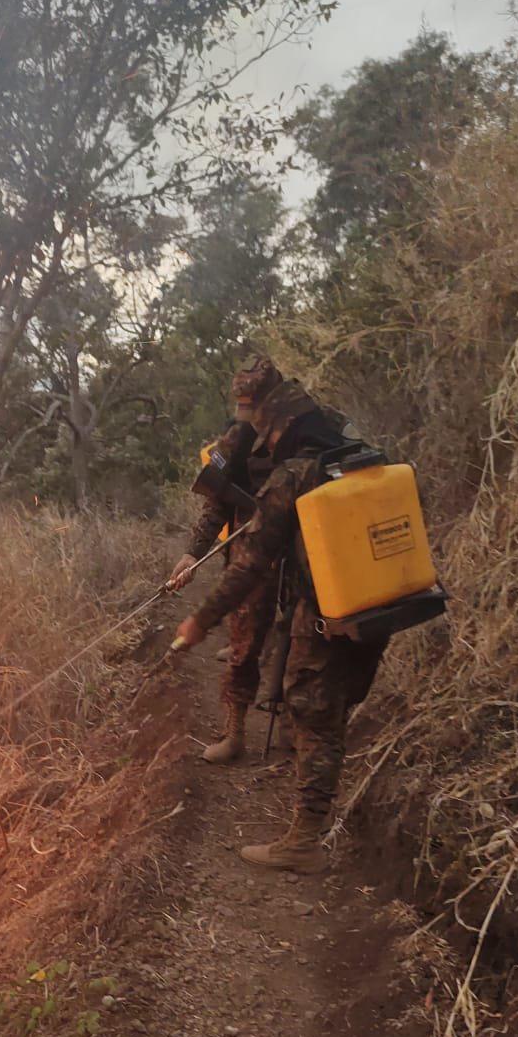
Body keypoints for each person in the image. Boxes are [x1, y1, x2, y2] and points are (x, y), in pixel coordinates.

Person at [174, 357, 388, 873]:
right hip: (376, 591)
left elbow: (248, 563)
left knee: (313, 703)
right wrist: (194, 550)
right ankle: (247, 733)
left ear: (274, 416)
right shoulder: (344, 446)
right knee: (309, 691)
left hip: (321, 590)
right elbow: (218, 504)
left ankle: (304, 839)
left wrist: (200, 620)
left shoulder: (297, 468)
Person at [167, 410, 280, 764]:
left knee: (292, 633)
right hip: (254, 555)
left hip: (294, 554)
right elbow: (216, 504)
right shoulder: (233, 444)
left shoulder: (291, 444)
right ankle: (237, 733)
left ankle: (275, 724)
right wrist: (191, 555)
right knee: (246, 640)